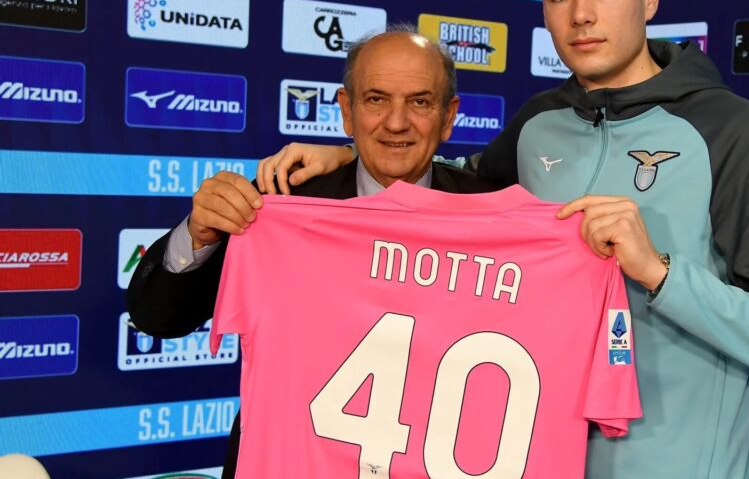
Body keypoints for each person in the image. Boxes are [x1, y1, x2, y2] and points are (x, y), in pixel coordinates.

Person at [256, 0, 749, 477]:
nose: (582, 15)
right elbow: (446, 189)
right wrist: (354, 153)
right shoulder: (539, 122)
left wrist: (660, 273)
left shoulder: (733, 132)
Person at [126, 28, 496, 478]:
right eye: (376, 100)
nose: (396, 122)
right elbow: (157, 318)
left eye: (420, 102)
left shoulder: (493, 216)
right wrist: (199, 235)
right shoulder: (281, 203)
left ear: (448, 116)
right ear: (347, 111)